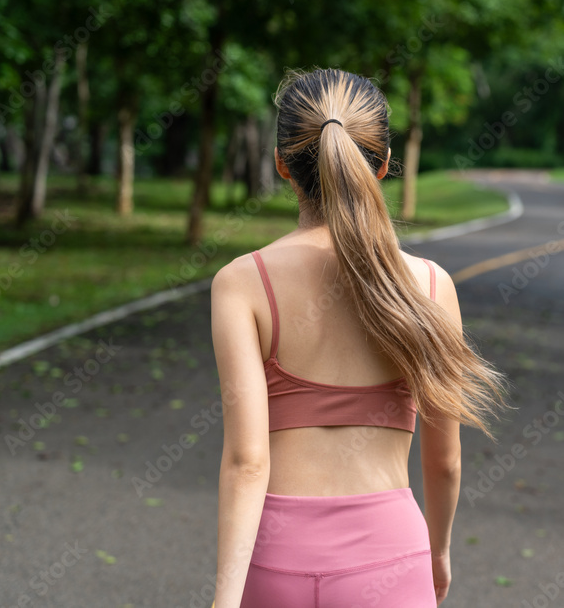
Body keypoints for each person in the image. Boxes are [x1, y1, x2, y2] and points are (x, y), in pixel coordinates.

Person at [209, 67, 511, 608]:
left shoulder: (242, 283)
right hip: (392, 556)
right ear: (385, 163)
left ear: (282, 163)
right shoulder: (430, 285)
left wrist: (225, 600)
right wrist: (436, 551)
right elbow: (443, 460)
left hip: (277, 557)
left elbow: (247, 462)